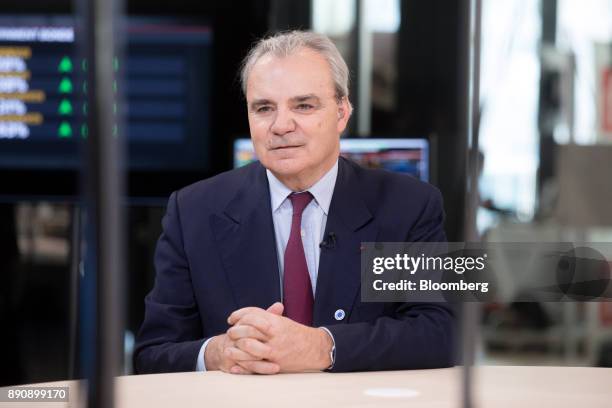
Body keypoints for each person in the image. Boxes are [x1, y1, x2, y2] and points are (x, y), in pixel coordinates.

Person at [134, 30, 455, 374]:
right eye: (264, 108)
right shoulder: (192, 210)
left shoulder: (409, 205)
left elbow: (442, 334)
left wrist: (323, 347)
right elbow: (150, 355)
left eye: (304, 105)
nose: (281, 125)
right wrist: (216, 353)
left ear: (342, 112)